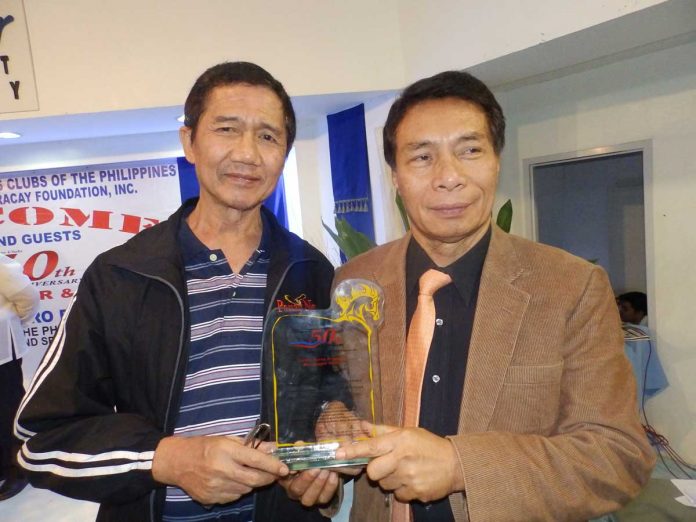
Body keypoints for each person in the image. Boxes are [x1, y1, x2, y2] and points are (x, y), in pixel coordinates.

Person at [15, 62, 342, 521]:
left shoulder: (310, 271)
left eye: (268, 136)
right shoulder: (121, 275)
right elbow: (40, 441)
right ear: (189, 141)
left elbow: (329, 398)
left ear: (285, 151)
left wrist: (321, 471)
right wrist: (166, 459)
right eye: (227, 129)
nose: (247, 153)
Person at [334, 70, 655, 521]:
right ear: (396, 177)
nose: (449, 177)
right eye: (422, 157)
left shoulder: (571, 288)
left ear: (496, 161)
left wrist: (461, 466)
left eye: (469, 151)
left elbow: (616, 456)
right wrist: (323, 458)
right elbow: (339, 406)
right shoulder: (355, 282)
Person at [0, 253, 39, 501]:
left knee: (8, 409)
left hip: (2, 350)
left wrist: (12, 322)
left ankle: (20, 468)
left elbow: (28, 297)